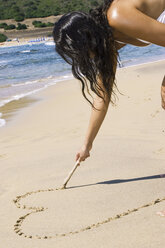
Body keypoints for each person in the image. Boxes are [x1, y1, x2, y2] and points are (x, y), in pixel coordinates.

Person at [53, 0, 165, 216]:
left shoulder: (118, 16)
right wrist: (87, 144)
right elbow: (101, 97)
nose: (80, 60)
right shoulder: (109, 41)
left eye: (78, 53)